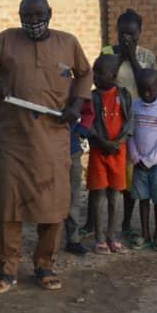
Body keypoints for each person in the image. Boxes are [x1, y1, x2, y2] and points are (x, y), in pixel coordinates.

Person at [0, 0, 91, 293]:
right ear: (19, 17)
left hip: (54, 142)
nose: (34, 22)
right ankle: (7, 269)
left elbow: (85, 73)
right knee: (9, 207)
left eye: (39, 16)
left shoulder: (68, 43)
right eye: (27, 17)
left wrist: (76, 105)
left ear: (50, 13)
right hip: (15, 142)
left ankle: (44, 265)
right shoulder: (6, 39)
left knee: (54, 207)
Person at [101, 9, 157, 246]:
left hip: (139, 119)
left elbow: (146, 83)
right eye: (123, 33)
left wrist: (132, 57)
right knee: (110, 171)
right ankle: (102, 224)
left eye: (132, 34)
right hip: (113, 118)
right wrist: (120, 57)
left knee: (131, 173)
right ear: (117, 31)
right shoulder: (108, 52)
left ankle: (126, 222)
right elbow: (105, 78)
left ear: (140, 33)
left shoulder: (146, 56)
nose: (127, 38)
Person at [86, 54, 133, 254]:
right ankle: (99, 238)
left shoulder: (124, 96)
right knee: (98, 194)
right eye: (94, 72)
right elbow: (88, 123)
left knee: (115, 194)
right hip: (99, 151)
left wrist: (118, 142)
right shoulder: (92, 98)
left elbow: (129, 123)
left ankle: (112, 236)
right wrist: (102, 141)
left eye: (100, 73)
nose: (95, 76)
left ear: (113, 76)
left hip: (118, 152)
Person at [128, 69, 157, 252]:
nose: (146, 94)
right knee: (143, 199)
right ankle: (145, 234)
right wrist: (136, 157)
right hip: (139, 163)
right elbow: (130, 133)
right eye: (142, 90)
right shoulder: (135, 105)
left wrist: (150, 160)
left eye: (150, 90)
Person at [65, 98, 95, 256]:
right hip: (46, 149)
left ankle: (73, 239)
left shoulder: (74, 88)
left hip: (72, 148)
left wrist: (82, 129)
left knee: (73, 196)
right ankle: (48, 242)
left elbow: (88, 110)